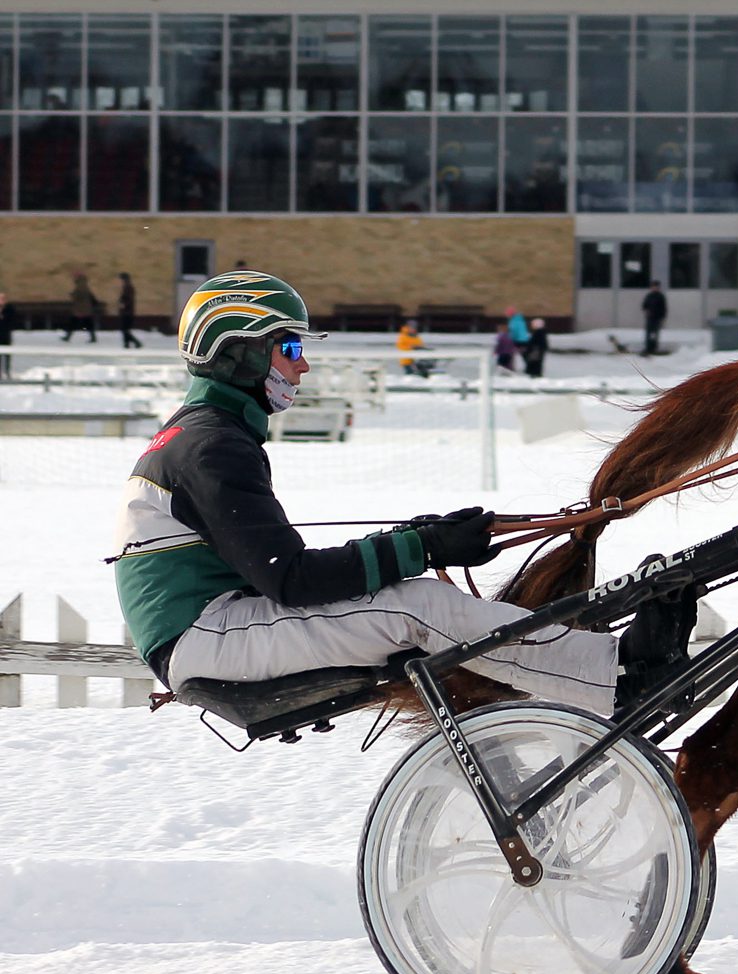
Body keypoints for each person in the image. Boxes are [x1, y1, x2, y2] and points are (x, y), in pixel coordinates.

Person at [111, 270, 686, 716]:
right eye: (291, 349)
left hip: (215, 627)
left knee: (409, 601)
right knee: (415, 607)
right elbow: (292, 579)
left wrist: (417, 538)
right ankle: (617, 678)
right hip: (203, 638)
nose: (304, 367)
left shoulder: (206, 435)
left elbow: (283, 573)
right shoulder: (211, 447)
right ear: (239, 351)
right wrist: (423, 548)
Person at [61, 272, 97, 342]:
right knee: (88, 324)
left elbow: (77, 297)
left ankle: (67, 337)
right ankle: (93, 338)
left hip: (79, 309)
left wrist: (72, 295)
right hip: (86, 309)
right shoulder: (86, 287)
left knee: (73, 323)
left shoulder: (79, 287)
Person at [641, 281, 667, 357]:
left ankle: (654, 348)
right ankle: (648, 348)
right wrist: (646, 311)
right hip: (650, 318)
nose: (655, 288)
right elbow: (644, 305)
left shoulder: (660, 296)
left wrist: (662, 318)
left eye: (656, 286)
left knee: (655, 333)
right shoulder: (649, 296)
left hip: (657, 318)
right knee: (648, 333)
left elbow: (663, 308)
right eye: (653, 286)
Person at [117, 272, 141, 348]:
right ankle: (126, 344)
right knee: (125, 329)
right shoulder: (126, 287)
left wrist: (123, 304)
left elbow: (128, 299)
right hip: (126, 311)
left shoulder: (128, 287)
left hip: (127, 312)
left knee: (124, 329)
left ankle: (136, 342)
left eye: (121, 279)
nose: (120, 281)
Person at [0, 289, 16, 379]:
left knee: (7, 355)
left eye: (2, 298)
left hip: (6, 335)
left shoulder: (9, 309)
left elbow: (11, 320)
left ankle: (7, 371)